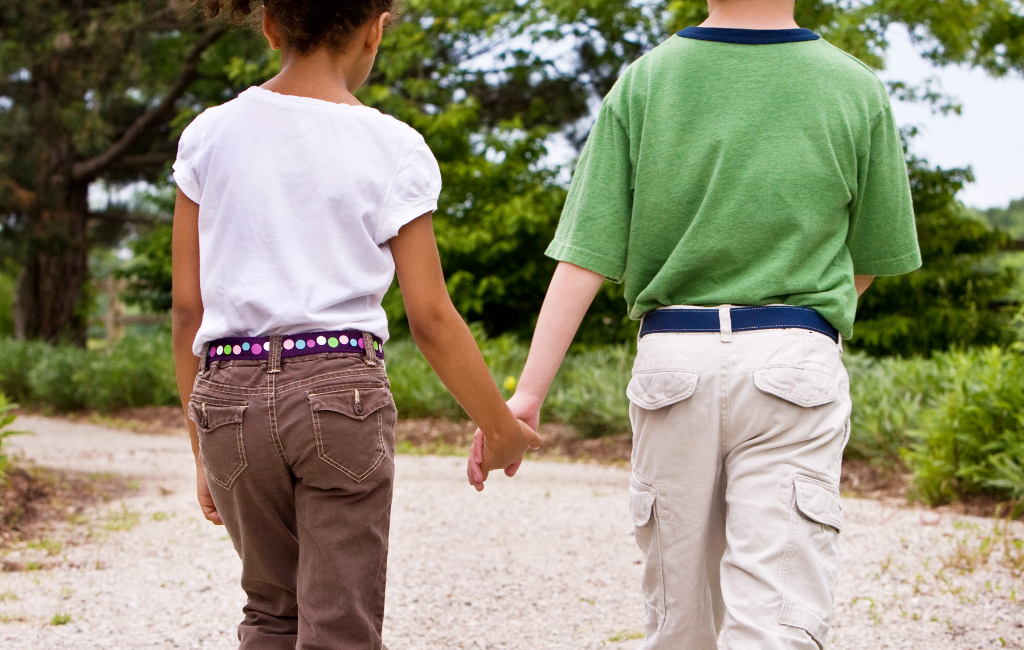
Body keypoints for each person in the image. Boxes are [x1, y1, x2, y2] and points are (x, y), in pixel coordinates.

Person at [468, 0, 920, 647]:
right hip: (794, 355)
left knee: (680, 624)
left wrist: (528, 396)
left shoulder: (646, 81)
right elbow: (872, 257)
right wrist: (798, 323)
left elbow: (583, 260)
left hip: (674, 356)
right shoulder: (855, 87)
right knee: (778, 616)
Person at [171, 2, 541, 648]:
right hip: (338, 394)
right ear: (375, 29)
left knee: (269, 611)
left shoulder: (208, 135)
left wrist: (201, 448)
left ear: (271, 27)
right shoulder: (393, 146)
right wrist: (499, 426)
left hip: (227, 402)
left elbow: (186, 311)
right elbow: (430, 318)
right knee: (339, 625)